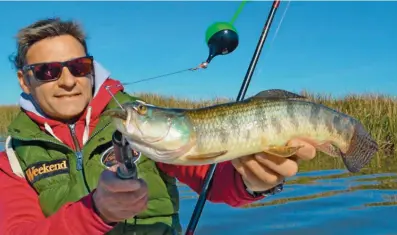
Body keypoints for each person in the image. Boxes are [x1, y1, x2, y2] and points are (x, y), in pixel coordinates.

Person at [0, 18, 316, 235]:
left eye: (79, 67)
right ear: (23, 79)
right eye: (47, 71)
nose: (67, 81)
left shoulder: (140, 122)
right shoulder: (12, 158)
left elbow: (214, 180)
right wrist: (96, 212)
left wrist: (253, 181)